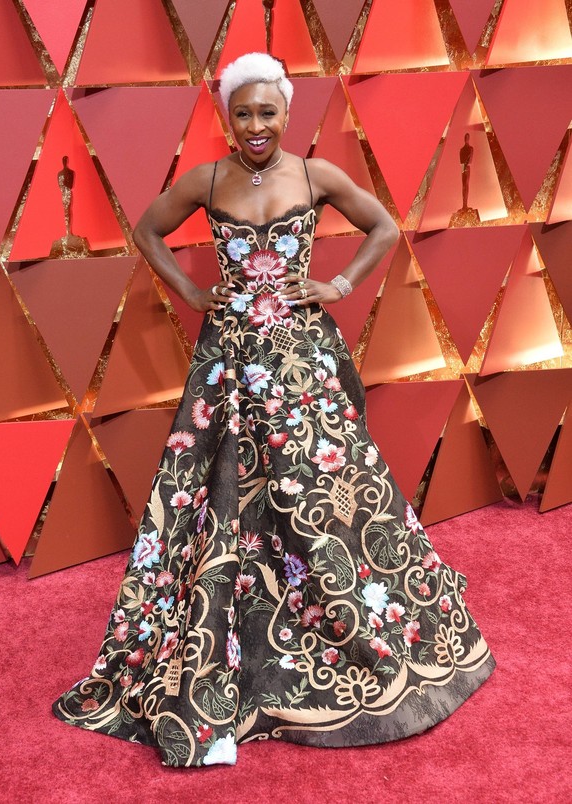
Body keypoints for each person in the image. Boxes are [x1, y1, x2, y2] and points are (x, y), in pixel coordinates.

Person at [52, 53, 495, 768]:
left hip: (299, 355)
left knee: (321, 485)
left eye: (268, 112)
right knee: (225, 492)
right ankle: (243, 626)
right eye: (244, 113)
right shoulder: (208, 180)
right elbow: (147, 231)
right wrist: (193, 296)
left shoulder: (316, 176)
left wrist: (341, 282)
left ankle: (340, 610)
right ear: (228, 116)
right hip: (229, 360)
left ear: (288, 113)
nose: (256, 126)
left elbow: (383, 226)